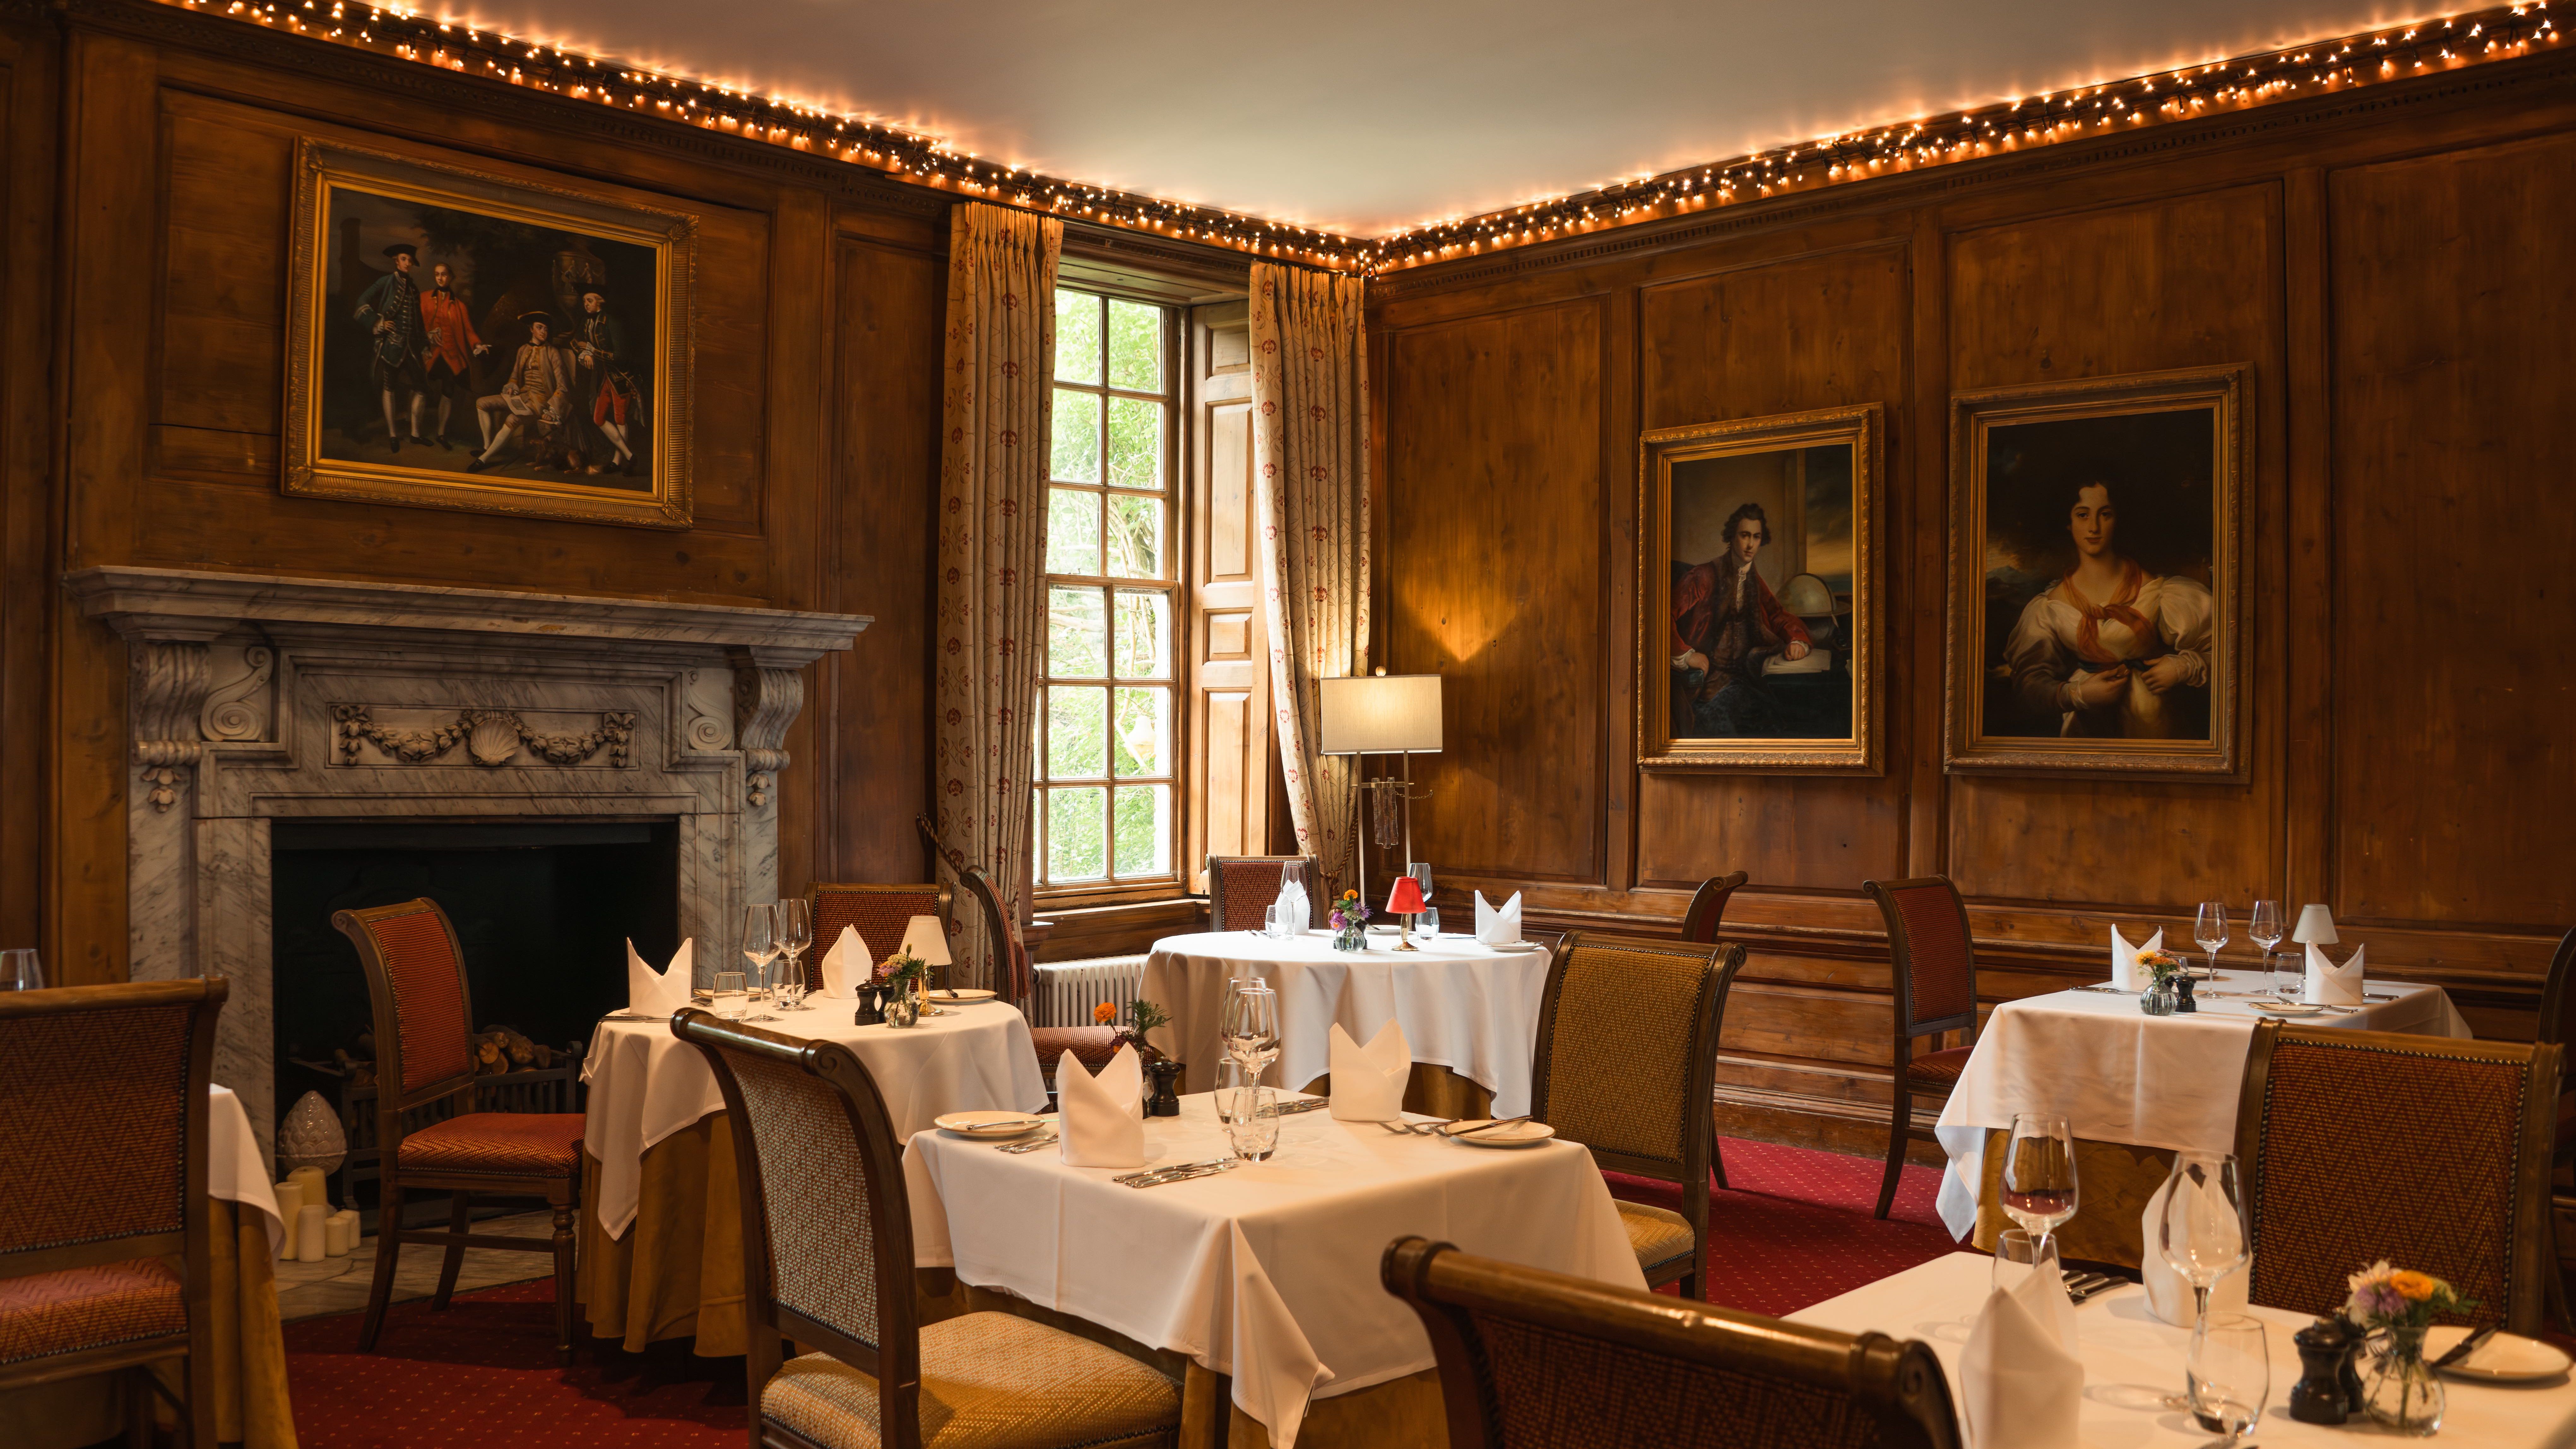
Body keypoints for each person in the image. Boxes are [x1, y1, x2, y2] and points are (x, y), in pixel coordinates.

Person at [2003, 479, 2213, 738]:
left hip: (2153, 724)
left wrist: (2182, 668)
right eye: (2083, 515)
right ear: (2068, 522)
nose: (2093, 527)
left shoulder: (2160, 593)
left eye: (2105, 515)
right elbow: (2028, 687)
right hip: (2087, 729)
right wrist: (2078, 694)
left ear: (2117, 520)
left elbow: (2230, 657)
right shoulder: (2049, 608)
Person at [1670, 502, 1811, 736]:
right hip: (1707, 688)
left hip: (1745, 679)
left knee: (1781, 725)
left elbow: (1777, 615)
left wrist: (1798, 641)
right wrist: (1686, 655)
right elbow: (1660, 616)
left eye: (1756, 537)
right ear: (1731, 537)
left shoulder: (1753, 579)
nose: (1750, 544)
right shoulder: (1702, 576)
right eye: (1744, 535)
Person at [465, 313, 572, 474]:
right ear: (531, 330)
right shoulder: (523, 350)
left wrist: (553, 410)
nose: (544, 332)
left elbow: (563, 387)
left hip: (541, 402)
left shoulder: (553, 353)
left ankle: (484, 460)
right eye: (540, 328)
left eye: (546, 329)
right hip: (522, 397)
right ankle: (487, 447)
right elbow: (515, 377)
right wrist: (512, 387)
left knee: (512, 419)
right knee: (482, 403)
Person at [351, 243, 428, 452]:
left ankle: (415, 435)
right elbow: (361, 302)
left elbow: (418, 320)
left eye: (411, 261)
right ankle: (393, 434)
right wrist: (378, 323)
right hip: (392, 345)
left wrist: (425, 344)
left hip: (412, 347)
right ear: (396, 260)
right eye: (404, 259)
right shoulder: (386, 282)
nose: (408, 264)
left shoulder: (413, 288)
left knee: (421, 388)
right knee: (390, 387)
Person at [416, 262, 489, 451]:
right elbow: (416, 325)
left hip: (451, 356)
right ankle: (415, 433)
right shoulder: (424, 298)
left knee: (448, 392)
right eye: (437, 274)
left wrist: (478, 344)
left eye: (444, 275)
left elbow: (469, 331)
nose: (440, 278)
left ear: (450, 278)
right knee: (421, 389)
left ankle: (441, 433)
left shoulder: (460, 306)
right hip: (430, 353)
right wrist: (427, 336)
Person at [569, 290, 642, 476]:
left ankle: (618, 462)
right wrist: (585, 353)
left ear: (600, 303)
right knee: (599, 418)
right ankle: (629, 455)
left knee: (620, 419)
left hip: (621, 377)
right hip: (606, 377)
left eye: (590, 301)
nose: (586, 304)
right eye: (584, 300)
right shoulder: (587, 322)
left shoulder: (612, 322)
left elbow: (620, 356)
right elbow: (576, 342)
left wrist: (594, 352)